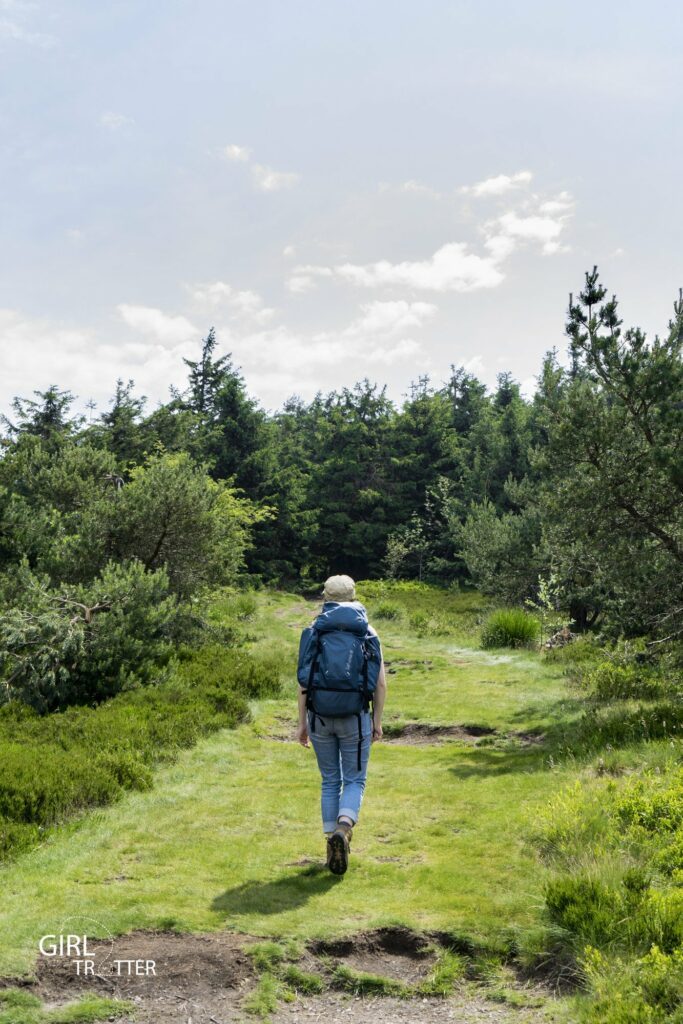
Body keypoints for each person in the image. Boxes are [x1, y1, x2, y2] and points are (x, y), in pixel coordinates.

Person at [296, 574, 387, 876]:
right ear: (353, 596)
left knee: (330, 780)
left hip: (319, 715)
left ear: (325, 597)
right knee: (355, 779)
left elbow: (303, 684)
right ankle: (344, 830)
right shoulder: (368, 632)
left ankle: (330, 843)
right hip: (355, 716)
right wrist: (376, 720)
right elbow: (380, 684)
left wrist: (302, 724)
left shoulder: (313, 631)